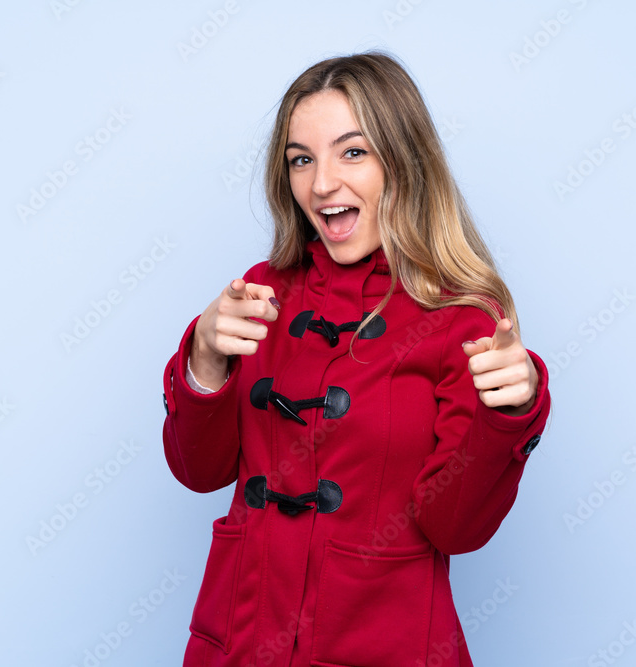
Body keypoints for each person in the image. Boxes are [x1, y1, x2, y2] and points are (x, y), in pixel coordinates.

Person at [162, 52, 551, 667]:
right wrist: (204, 361)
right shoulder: (258, 296)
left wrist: (513, 409)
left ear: (404, 161)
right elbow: (198, 471)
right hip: (236, 642)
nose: (320, 184)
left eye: (352, 152)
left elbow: (457, 528)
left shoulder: (464, 322)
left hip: (384, 646)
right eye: (301, 159)